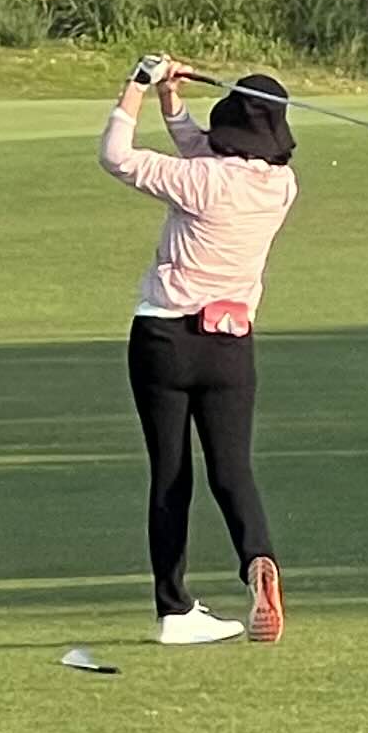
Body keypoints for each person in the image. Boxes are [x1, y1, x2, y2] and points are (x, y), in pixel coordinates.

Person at [97, 51, 297, 646]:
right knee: (232, 469)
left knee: (171, 473)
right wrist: (171, 99)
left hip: (163, 340)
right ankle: (257, 557)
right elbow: (206, 152)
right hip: (229, 346)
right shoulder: (281, 186)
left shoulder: (201, 182)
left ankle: (174, 609)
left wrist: (137, 85)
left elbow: (117, 156)